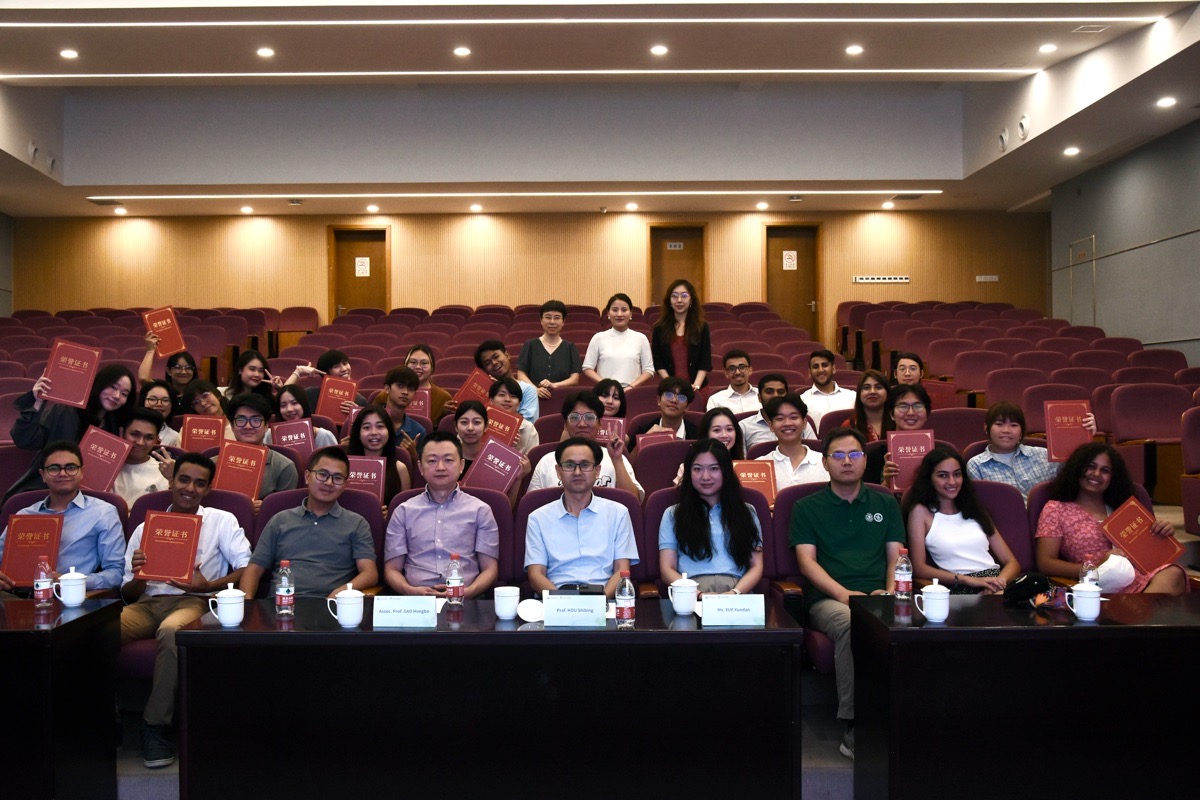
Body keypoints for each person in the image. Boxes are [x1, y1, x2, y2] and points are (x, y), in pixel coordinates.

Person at [119, 453, 251, 769]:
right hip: (148, 602)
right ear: (172, 480)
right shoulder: (146, 527)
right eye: (184, 479)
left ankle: (154, 726)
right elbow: (127, 593)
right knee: (99, 630)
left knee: (171, 631)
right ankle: (99, 719)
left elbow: (247, 567)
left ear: (208, 489)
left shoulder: (222, 520)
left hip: (195, 601)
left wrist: (208, 586)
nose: (190, 488)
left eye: (199, 483)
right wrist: (140, 577)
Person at [790, 427, 905, 761]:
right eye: (838, 455)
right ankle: (857, 724)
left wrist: (890, 592)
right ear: (825, 462)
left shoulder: (885, 502)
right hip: (828, 600)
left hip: (880, 593)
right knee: (853, 624)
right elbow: (807, 563)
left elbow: (896, 558)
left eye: (854, 454)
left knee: (916, 623)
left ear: (865, 460)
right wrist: (845, 596)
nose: (846, 461)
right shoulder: (806, 507)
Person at [1035, 442, 1186, 594]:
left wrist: (1161, 532)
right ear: (1077, 468)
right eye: (1091, 466)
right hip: (1099, 583)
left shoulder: (1124, 507)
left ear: (1113, 478)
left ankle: (1138, 608)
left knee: (1173, 573)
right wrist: (1095, 567)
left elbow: (1150, 555)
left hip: (1143, 579)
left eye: (1105, 470)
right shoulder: (1056, 509)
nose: (1096, 474)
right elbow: (1045, 563)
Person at [239, 447, 378, 599]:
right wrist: (247, 606)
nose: (329, 482)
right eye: (322, 474)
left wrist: (340, 593)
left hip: (331, 604)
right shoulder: (280, 520)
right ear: (307, 477)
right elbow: (254, 569)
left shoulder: (357, 523)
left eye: (338, 478)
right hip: (281, 605)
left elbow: (370, 573)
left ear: (345, 484)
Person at [383, 431, 499, 598]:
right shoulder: (403, 511)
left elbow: (490, 569)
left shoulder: (480, 510)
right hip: (416, 601)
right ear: (420, 467)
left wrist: (468, 592)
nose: (440, 467)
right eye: (432, 461)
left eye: (448, 460)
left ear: (461, 465)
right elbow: (391, 569)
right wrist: (410, 591)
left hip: (467, 599)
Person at [0, 441, 125, 595]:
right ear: (43, 475)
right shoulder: (24, 515)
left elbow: (117, 572)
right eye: (54, 468)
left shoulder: (103, 512)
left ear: (82, 472)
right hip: (14, 595)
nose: (63, 474)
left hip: (67, 596)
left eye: (71, 468)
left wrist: (70, 581)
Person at [525, 437, 640, 597]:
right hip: (556, 598)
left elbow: (622, 570)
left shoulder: (618, 513)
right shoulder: (538, 518)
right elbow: (536, 575)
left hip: (603, 597)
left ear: (597, 471)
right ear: (558, 472)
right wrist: (563, 604)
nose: (577, 472)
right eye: (569, 465)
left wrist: (598, 603)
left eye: (585, 465)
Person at [6, 363, 137, 498]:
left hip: (88, 498)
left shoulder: (116, 428)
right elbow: (25, 440)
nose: (117, 396)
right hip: (45, 490)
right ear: (99, 384)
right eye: (113, 387)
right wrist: (38, 401)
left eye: (124, 394)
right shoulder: (64, 411)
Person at [901, 447, 1019, 595]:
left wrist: (998, 584)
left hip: (996, 583)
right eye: (943, 475)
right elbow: (919, 568)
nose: (952, 482)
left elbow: (1012, 562)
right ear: (929, 479)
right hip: (959, 585)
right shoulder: (920, 512)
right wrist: (966, 580)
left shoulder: (974, 509)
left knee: (1036, 586)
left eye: (957, 474)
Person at [659, 438, 763, 595]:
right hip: (690, 590)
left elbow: (756, 566)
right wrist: (698, 594)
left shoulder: (747, 512)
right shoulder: (673, 514)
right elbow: (667, 569)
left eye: (714, 469)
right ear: (688, 472)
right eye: (697, 469)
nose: (705, 477)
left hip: (738, 590)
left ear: (726, 471)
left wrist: (734, 593)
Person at [966, 401, 1097, 501]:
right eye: (999, 424)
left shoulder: (1044, 455)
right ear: (986, 428)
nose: (1006, 430)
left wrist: (1085, 435)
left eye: (1013, 425)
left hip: (1045, 523)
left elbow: (1075, 473)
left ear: (1022, 430)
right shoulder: (976, 465)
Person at [528, 391, 644, 500]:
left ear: (600, 423)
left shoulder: (616, 458)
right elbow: (533, 504)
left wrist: (617, 461)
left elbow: (633, 501)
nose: (582, 424)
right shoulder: (547, 461)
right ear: (565, 425)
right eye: (574, 418)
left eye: (589, 417)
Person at [225, 392, 299, 511]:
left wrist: (266, 508)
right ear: (232, 426)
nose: (248, 426)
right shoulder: (213, 464)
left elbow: (285, 514)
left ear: (266, 426)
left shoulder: (284, 467)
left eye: (256, 420)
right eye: (241, 420)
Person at [864, 382, 934, 486]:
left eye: (918, 406)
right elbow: (868, 495)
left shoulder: (939, 453)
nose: (910, 413)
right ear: (892, 414)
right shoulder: (873, 455)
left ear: (927, 414)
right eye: (903, 406)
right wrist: (887, 482)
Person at [755, 394, 828, 491]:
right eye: (780, 419)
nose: (787, 423)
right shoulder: (759, 465)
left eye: (794, 417)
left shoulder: (826, 462)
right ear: (771, 426)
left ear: (804, 423)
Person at [582, 292, 654, 388]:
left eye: (624, 310)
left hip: (632, 390)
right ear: (608, 313)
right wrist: (606, 385)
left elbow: (649, 370)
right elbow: (587, 368)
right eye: (615, 310)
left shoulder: (641, 338)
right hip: (605, 391)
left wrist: (631, 387)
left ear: (630, 314)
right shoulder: (598, 338)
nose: (619, 314)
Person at [651, 279, 711, 392]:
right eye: (674, 296)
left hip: (698, 388)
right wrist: (671, 384)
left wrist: (696, 386)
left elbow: (705, 361)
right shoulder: (659, 328)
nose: (679, 300)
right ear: (669, 300)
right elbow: (658, 363)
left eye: (684, 296)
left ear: (691, 299)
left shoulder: (702, 327)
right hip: (670, 389)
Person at [347, 405, 411, 508]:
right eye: (366, 427)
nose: (374, 432)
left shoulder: (400, 469)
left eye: (380, 426)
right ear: (358, 433)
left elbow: (405, 511)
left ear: (389, 431)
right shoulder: (344, 466)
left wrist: (390, 513)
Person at [516, 299, 581, 398]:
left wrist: (554, 385)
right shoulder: (530, 345)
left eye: (557, 318)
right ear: (541, 320)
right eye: (548, 317)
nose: (552, 322)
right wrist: (535, 390)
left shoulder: (570, 347)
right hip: (532, 398)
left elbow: (574, 379)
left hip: (563, 398)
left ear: (563, 321)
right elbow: (521, 374)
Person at [112, 407, 174, 508]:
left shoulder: (166, 471)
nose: (140, 442)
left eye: (149, 437)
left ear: (156, 440)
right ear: (121, 432)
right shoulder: (105, 463)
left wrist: (173, 479)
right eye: (135, 434)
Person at [474, 340, 539, 423]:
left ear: (507, 355)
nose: (494, 363)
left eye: (496, 357)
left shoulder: (528, 390)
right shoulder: (483, 391)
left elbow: (529, 421)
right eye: (487, 363)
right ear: (484, 370)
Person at [286, 349, 368, 413]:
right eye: (336, 366)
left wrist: (356, 414)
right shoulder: (311, 394)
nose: (344, 369)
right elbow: (284, 397)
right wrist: (299, 371)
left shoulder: (360, 401)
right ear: (326, 373)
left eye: (345, 363)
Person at [138, 333, 198, 417]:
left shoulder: (199, 393)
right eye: (178, 367)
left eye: (188, 368)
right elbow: (143, 378)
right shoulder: (163, 390)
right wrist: (150, 350)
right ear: (169, 371)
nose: (183, 372)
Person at [628, 376, 699, 446]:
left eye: (681, 397)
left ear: (687, 407)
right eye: (669, 395)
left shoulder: (698, 436)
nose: (674, 400)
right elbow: (630, 454)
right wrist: (644, 440)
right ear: (659, 400)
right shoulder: (643, 431)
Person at [266, 383, 340, 449]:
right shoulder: (269, 435)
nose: (289, 409)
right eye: (283, 405)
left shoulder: (324, 436)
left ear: (304, 405)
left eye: (294, 403)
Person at [378, 366, 426, 459]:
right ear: (387, 389)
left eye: (410, 388)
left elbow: (423, 467)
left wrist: (414, 455)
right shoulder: (369, 423)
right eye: (400, 386)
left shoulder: (418, 431)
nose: (405, 392)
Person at [739, 373, 795, 452]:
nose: (775, 396)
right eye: (769, 392)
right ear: (759, 397)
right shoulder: (744, 426)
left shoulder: (799, 423)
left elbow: (812, 454)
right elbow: (741, 459)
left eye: (780, 392)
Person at [801, 349, 855, 431]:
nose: (820, 370)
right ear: (809, 372)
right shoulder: (802, 400)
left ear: (833, 369)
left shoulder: (852, 396)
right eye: (815, 367)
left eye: (825, 365)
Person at [488, 377, 540, 454]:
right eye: (502, 395)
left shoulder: (528, 428)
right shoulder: (480, 423)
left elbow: (532, 459)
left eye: (513, 396)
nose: (507, 399)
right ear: (491, 400)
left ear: (519, 404)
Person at [404, 344, 453, 423]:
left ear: (432, 368)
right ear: (405, 365)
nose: (418, 367)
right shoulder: (390, 394)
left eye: (424, 363)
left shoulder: (443, 397)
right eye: (413, 362)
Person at [706, 349, 760, 414]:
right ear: (726, 373)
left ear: (750, 370)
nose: (737, 372)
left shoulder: (762, 395)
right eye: (732, 369)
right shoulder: (715, 400)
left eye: (742, 367)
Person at [844, 369, 892, 443]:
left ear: (887, 392)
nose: (872, 392)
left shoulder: (898, 423)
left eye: (878, 387)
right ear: (859, 394)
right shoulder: (849, 426)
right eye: (866, 388)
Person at [139, 379, 181, 447]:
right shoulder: (130, 427)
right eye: (153, 399)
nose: (159, 404)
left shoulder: (175, 438)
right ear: (143, 401)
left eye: (165, 400)